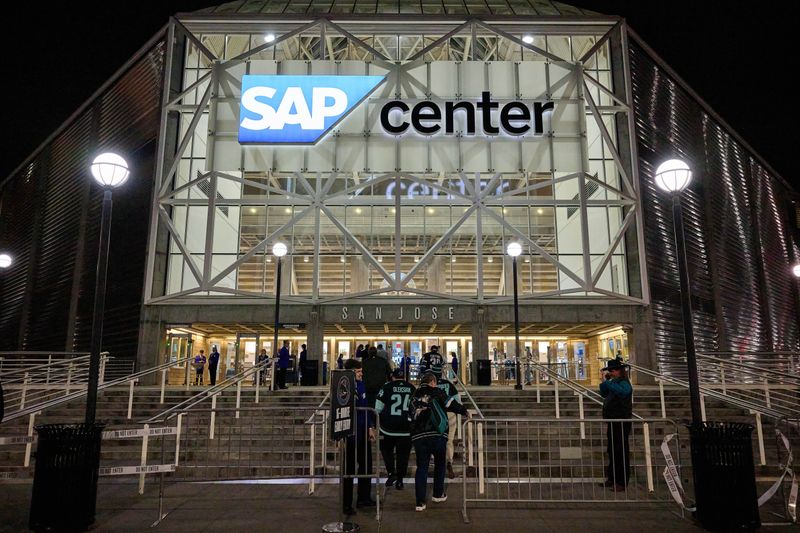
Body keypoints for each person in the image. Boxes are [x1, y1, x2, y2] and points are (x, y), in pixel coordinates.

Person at [410, 371, 469, 512]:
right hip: (437, 434)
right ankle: (438, 494)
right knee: (440, 464)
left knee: (422, 468)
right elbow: (452, 404)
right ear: (432, 382)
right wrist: (464, 411)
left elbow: (409, 415)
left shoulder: (414, 395)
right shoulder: (437, 392)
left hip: (419, 436)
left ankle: (420, 502)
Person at [343, 359, 376, 515]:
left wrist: (370, 427)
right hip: (350, 433)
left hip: (363, 430)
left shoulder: (362, 385)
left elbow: (366, 407)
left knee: (366, 465)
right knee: (349, 469)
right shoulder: (343, 388)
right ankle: (347, 503)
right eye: (358, 371)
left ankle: (364, 497)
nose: (361, 373)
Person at [375, 368, 415, 490]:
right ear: (404, 377)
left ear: (392, 377)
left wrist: (375, 422)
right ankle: (400, 480)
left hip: (388, 426)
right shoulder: (412, 388)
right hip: (405, 427)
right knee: (403, 455)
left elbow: (378, 407)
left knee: (386, 450)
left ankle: (392, 473)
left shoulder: (386, 387)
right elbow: (415, 407)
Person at [599, 358, 633, 491]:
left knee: (620, 451)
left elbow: (622, 392)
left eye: (613, 370)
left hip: (621, 421)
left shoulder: (624, 383)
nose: (611, 372)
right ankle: (612, 478)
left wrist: (607, 382)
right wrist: (604, 382)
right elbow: (603, 393)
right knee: (612, 450)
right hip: (613, 421)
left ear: (619, 370)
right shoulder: (613, 383)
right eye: (610, 370)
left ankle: (621, 481)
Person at [436, 372, 461, 479]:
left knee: (436, 438)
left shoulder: (430, 385)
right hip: (449, 413)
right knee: (449, 440)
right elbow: (457, 400)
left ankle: (437, 459)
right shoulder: (448, 384)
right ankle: (449, 461)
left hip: (436, 415)